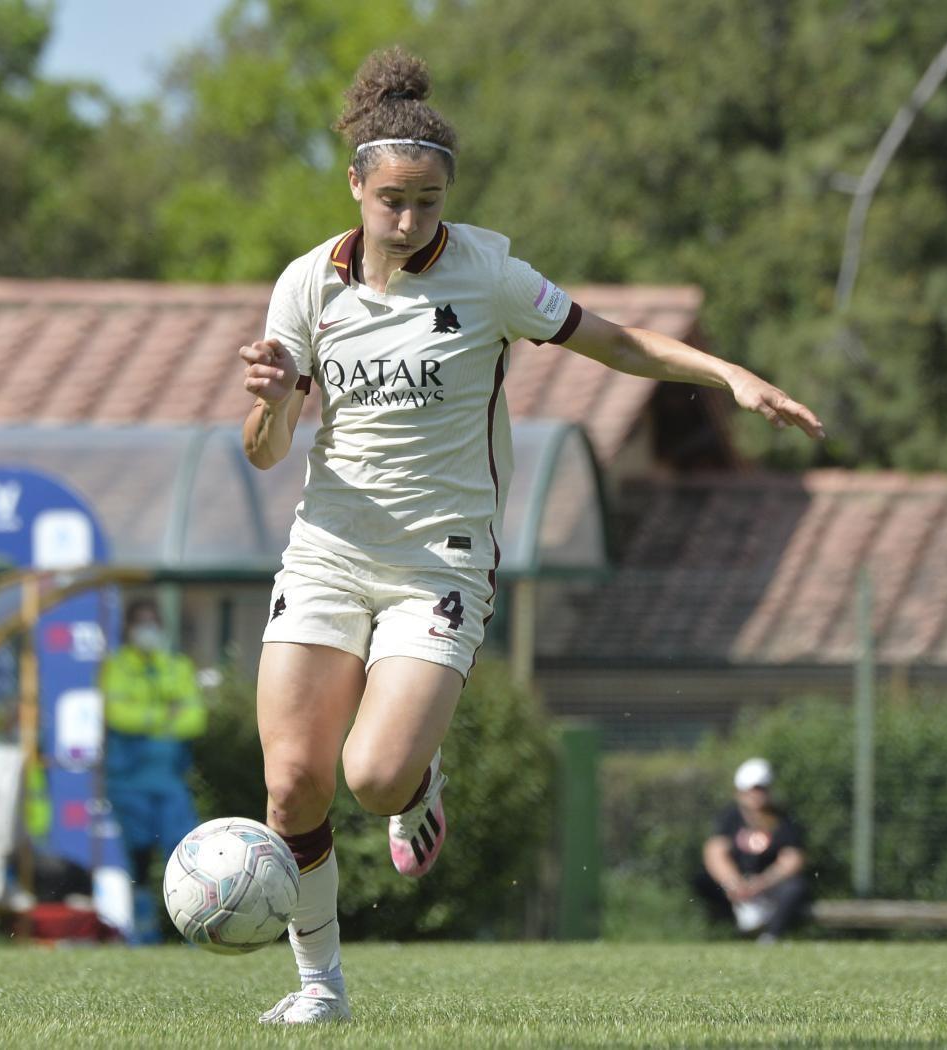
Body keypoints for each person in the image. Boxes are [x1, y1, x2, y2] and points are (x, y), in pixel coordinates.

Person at [238, 48, 826, 1023]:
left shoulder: (488, 276)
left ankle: (418, 780)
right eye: (390, 199)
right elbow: (265, 452)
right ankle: (319, 987)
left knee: (374, 777)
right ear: (354, 185)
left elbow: (617, 342)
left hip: (439, 559)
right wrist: (264, 403)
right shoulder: (308, 286)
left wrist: (727, 375)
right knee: (293, 782)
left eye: (426, 200)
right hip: (326, 552)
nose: (407, 219)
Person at [98, 597, 207, 941]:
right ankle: (143, 935)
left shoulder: (176, 666)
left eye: (152, 622)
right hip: (128, 781)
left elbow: (195, 720)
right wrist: (165, 716)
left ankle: (194, 932)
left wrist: (145, 718)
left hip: (170, 781)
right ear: (127, 629)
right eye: (139, 622)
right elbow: (118, 716)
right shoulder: (115, 666)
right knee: (138, 860)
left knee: (187, 857)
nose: (147, 630)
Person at [695, 757, 810, 943]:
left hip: (769, 886)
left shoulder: (783, 819)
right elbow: (714, 852)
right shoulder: (730, 817)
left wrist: (762, 883)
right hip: (735, 887)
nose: (756, 795)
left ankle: (770, 937)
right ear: (740, 792)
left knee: (795, 888)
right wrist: (734, 884)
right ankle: (722, 936)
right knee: (702, 882)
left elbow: (793, 858)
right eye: (751, 790)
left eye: (761, 789)